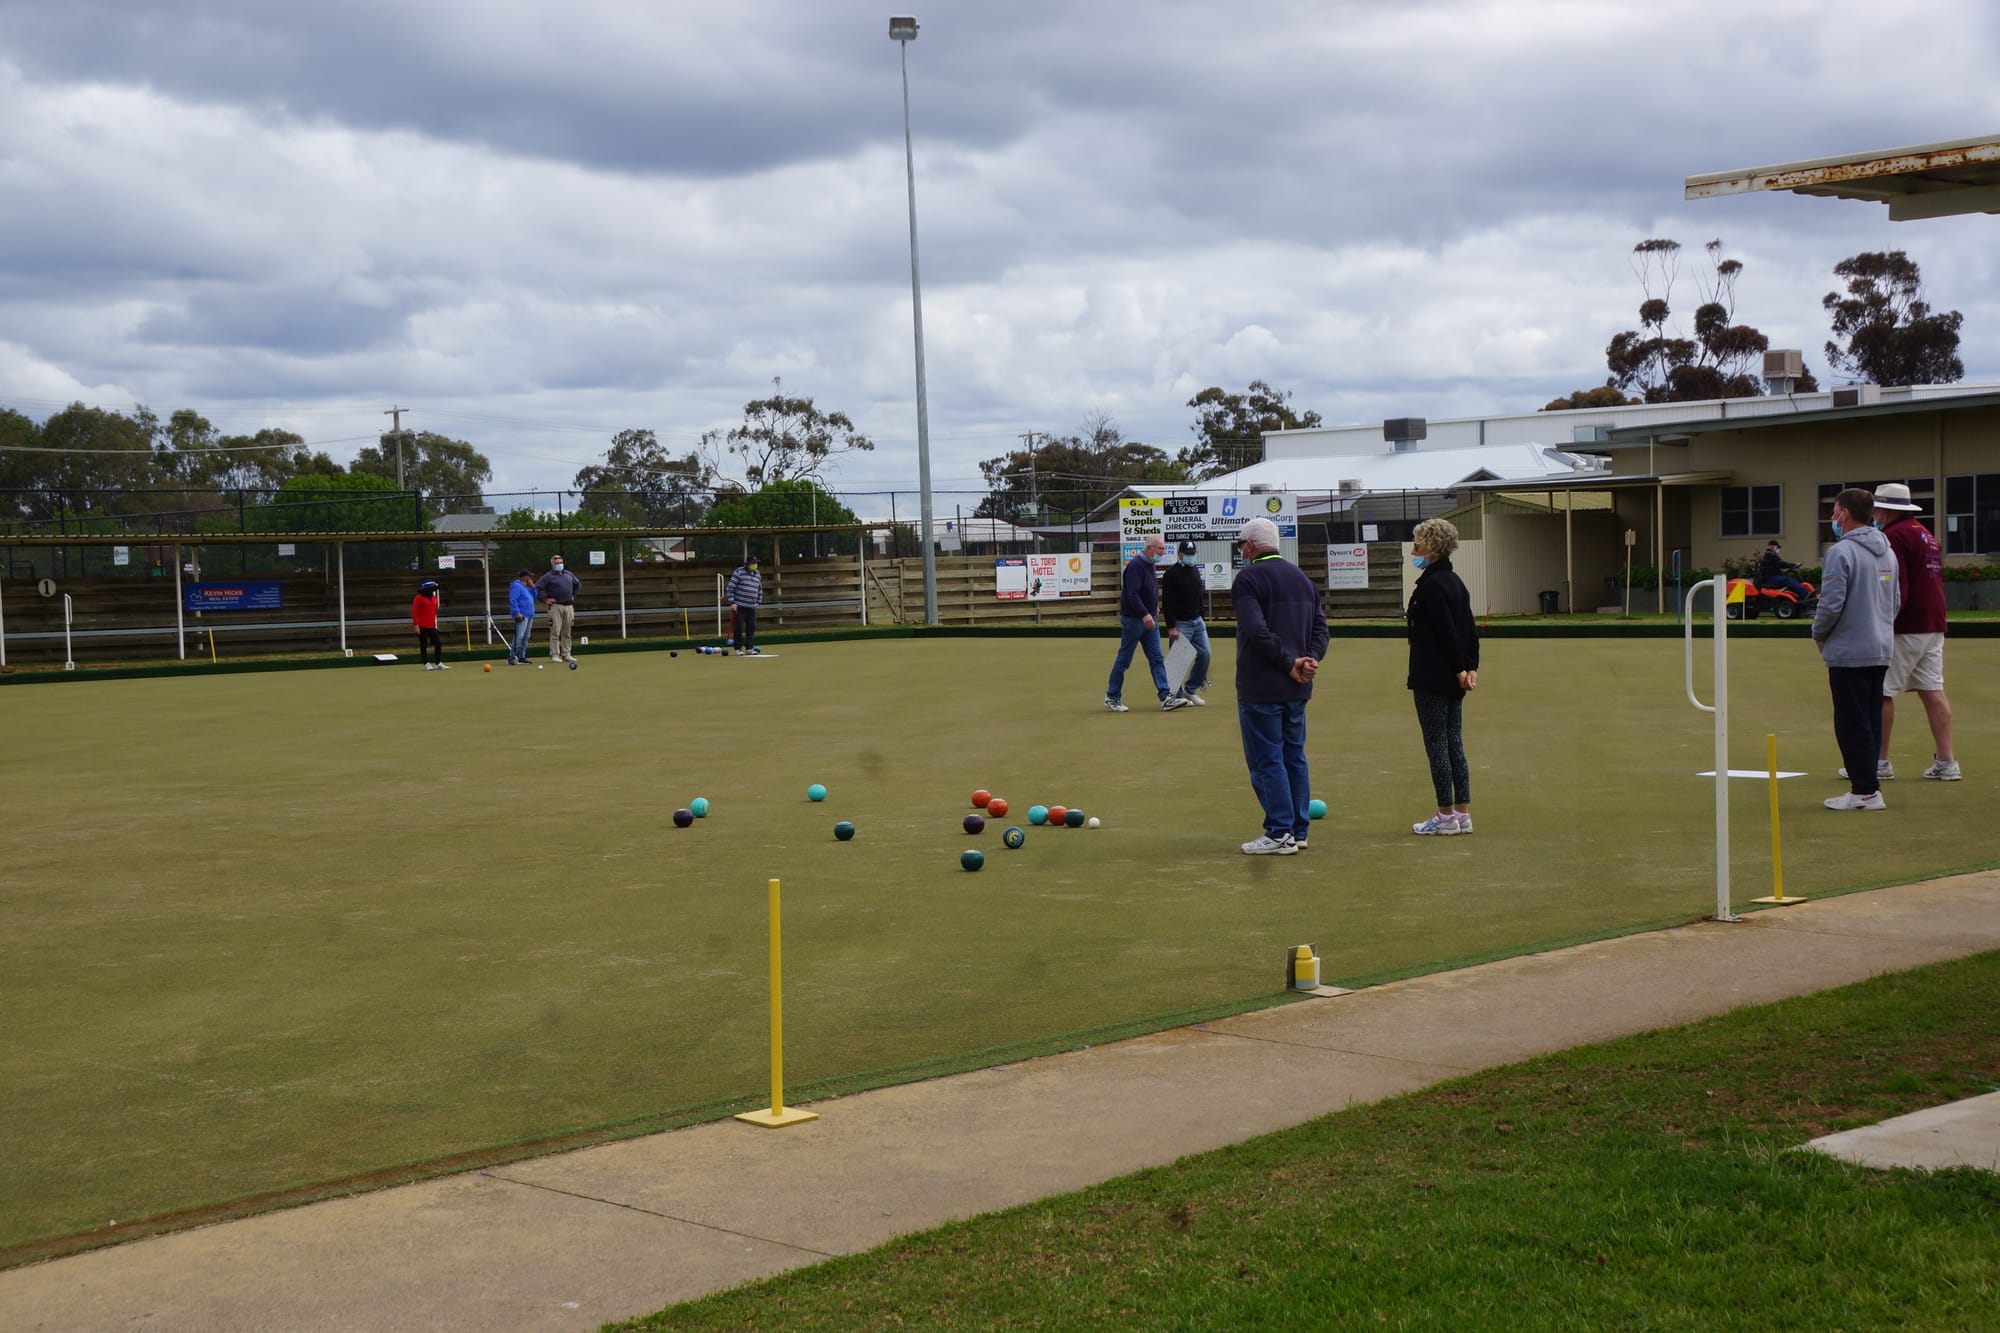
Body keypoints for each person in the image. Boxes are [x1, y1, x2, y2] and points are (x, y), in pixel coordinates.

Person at [1231, 516, 1329, 854]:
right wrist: (1309, 660)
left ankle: (1278, 833)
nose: (1241, 548)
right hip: (1298, 686)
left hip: (1261, 686)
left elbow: (1256, 630)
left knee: (1266, 760)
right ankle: (1298, 831)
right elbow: (1321, 629)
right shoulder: (1302, 579)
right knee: (1294, 757)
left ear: (1251, 545)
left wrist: (1290, 664)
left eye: (1242, 542)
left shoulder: (1248, 579)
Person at [1814, 488, 1899, 811]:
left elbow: (1831, 603)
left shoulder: (1841, 552)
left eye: (1835, 510)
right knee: (1869, 718)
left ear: (1845, 513)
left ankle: (1865, 790)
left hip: (1850, 650)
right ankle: (1867, 784)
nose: (1833, 516)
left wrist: (1818, 633)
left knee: (1852, 722)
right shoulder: (1888, 552)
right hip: (1880, 647)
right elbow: (1896, 602)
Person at [1873, 481, 1959, 781]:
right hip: (1933, 621)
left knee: (1881, 691)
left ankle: (1879, 763)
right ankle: (1947, 762)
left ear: (1885, 509)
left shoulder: (1893, 536)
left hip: (1906, 624)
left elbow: (1897, 586)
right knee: (1932, 689)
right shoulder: (1926, 534)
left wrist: (1884, 621)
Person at [1404, 518, 1479, 836]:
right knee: (1453, 742)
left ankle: (1446, 814)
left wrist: (1461, 668)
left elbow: (1449, 632)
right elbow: (1470, 631)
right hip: (1452, 675)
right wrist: (1470, 667)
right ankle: (1461, 813)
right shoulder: (1455, 581)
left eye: (1418, 544)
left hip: (1434, 675)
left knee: (1437, 742)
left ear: (1432, 548)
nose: (1414, 549)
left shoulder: (1433, 586)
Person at [1104, 535, 1186, 713]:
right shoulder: (1135, 566)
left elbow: (1147, 591)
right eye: (1160, 549)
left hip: (1150, 620)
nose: (1162, 552)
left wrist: (1153, 607)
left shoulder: (1150, 565)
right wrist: (1144, 614)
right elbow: (1131, 594)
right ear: (1149, 548)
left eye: (1163, 549)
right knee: (1124, 659)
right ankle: (1112, 696)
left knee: (1157, 658)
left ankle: (1166, 697)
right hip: (1134, 621)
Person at [1161, 539, 1212, 706]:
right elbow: (1167, 602)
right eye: (1188, 554)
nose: (1191, 556)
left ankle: (1191, 689)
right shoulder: (1171, 574)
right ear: (1179, 554)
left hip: (1197, 621)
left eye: (1193, 553)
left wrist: (1202, 617)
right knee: (1178, 661)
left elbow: (1199, 596)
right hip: (1181, 623)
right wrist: (1171, 626)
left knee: (1205, 654)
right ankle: (1176, 695)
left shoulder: (1195, 570)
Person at [536, 554, 582, 670]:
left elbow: (578, 584)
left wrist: (574, 595)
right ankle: (555, 655)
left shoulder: (569, 574)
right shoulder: (548, 576)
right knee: (555, 631)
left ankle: (566, 654)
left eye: (560, 562)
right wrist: (545, 599)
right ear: (552, 564)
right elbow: (537, 588)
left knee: (567, 632)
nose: (559, 564)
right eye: (556, 562)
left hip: (569, 606)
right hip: (556, 606)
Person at [725, 554, 763, 654]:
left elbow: (759, 589)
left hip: (751, 607)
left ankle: (749, 648)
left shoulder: (757, 574)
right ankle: (738, 648)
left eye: (756, 563)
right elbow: (730, 588)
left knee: (752, 627)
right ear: (747, 564)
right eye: (753, 563)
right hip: (739, 606)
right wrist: (732, 602)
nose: (755, 565)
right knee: (739, 627)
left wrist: (759, 601)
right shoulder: (739, 572)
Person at [411, 579, 446, 671]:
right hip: (421, 626)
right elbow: (415, 612)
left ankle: (438, 663)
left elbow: (434, 612)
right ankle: (426, 663)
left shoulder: (434, 598)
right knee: (424, 644)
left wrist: (435, 625)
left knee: (438, 643)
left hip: (431, 626)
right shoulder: (418, 598)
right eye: (432, 588)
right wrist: (416, 625)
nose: (433, 590)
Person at [506, 568, 537, 666]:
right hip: (522, 615)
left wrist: (533, 588)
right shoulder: (516, 586)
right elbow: (513, 600)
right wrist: (517, 612)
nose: (531, 579)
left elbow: (534, 597)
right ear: (526, 577)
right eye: (530, 577)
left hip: (529, 614)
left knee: (526, 637)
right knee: (519, 636)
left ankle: (521, 657)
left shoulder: (527, 588)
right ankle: (511, 656)